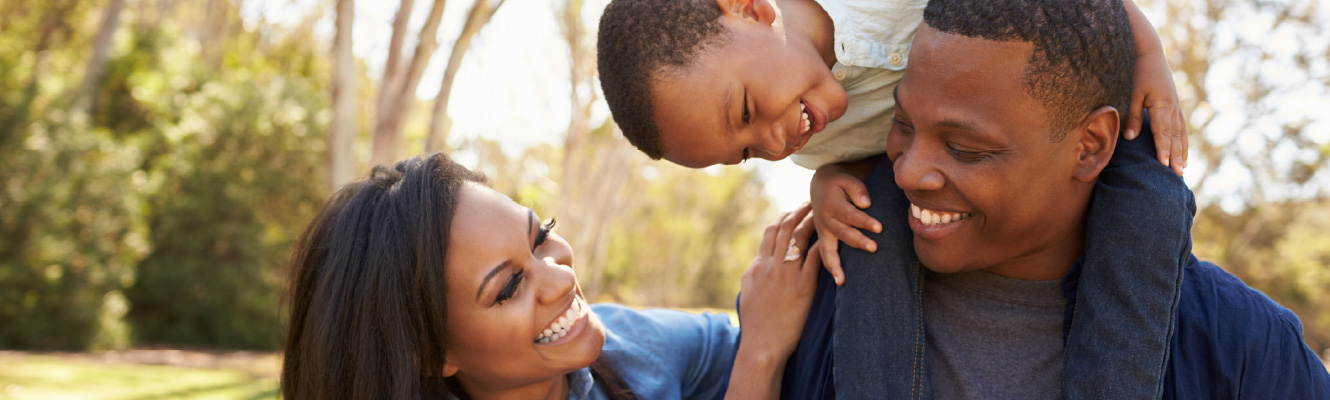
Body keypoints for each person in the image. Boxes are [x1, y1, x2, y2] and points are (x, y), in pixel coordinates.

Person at [596, 0, 1190, 397]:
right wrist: (825, 179)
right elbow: (865, 156)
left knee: (1154, 199)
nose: (775, 143)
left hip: (1070, 118)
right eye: (747, 152)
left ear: (751, 7)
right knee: (869, 224)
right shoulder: (810, 137)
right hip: (936, 175)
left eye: (747, 111)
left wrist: (1145, 56)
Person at [781, 0, 1330, 398]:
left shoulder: (1241, 350)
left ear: (1091, 147)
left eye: (966, 148)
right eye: (902, 124)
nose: (910, 173)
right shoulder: (806, 303)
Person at [280, 153, 822, 399]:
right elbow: (759, 346)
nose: (561, 279)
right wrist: (761, 357)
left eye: (540, 237)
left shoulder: (626, 346)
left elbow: (769, 336)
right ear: (430, 353)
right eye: (509, 287)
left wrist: (838, 179)